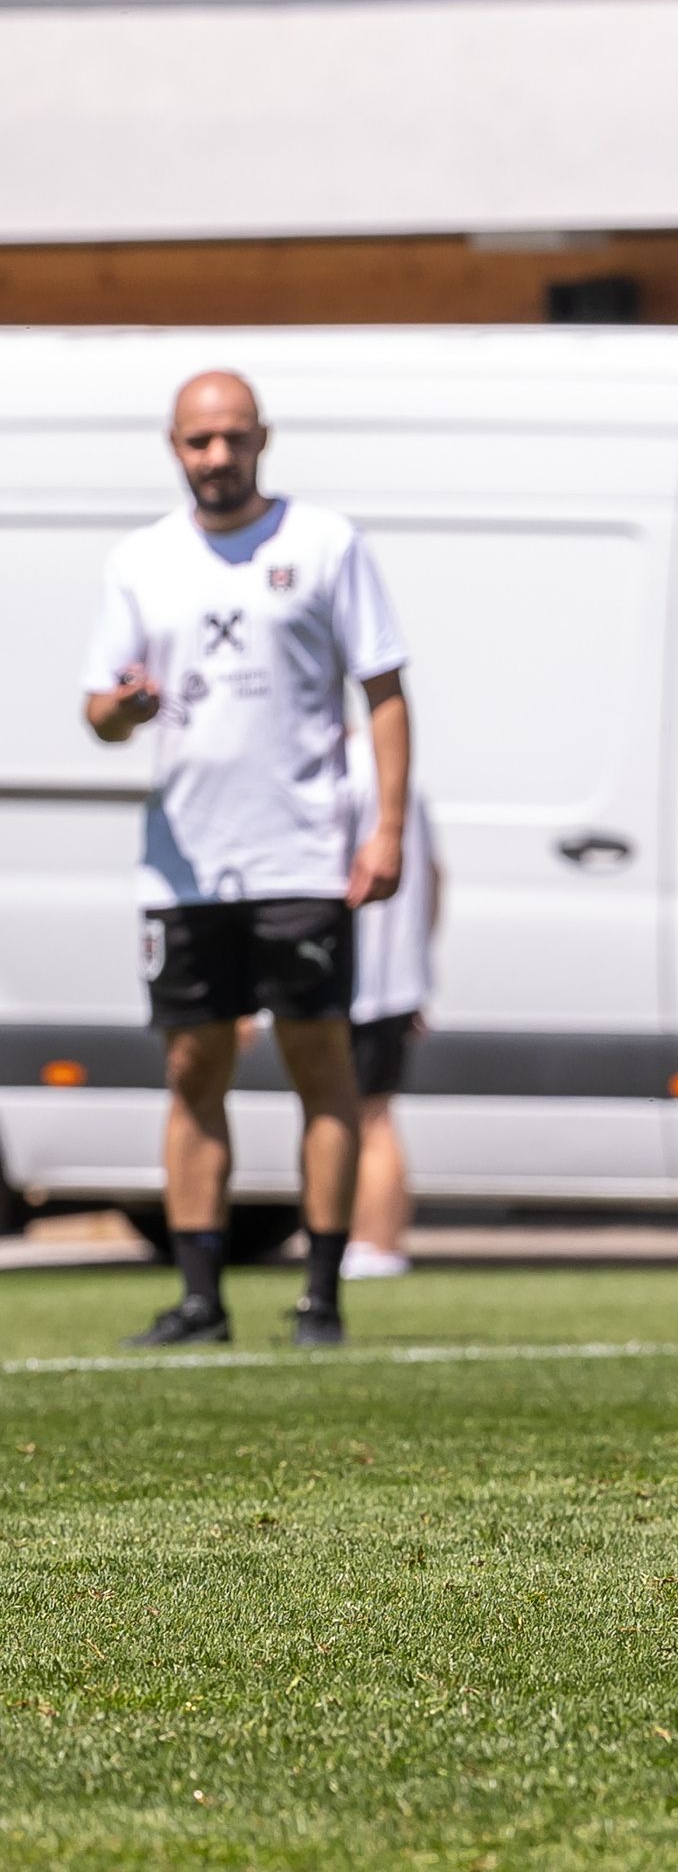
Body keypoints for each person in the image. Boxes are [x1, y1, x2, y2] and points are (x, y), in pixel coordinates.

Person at [83, 371, 412, 1351]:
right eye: (197, 441)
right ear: (174, 446)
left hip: (304, 855)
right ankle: (200, 1298)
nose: (216, 457)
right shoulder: (141, 560)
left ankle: (318, 1296)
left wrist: (384, 827)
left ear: (260, 439)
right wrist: (124, 707)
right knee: (193, 1065)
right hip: (185, 865)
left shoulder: (323, 544)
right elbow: (99, 710)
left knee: (320, 1065)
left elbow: (384, 689)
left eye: (231, 438)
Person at [339, 726, 438, 1281]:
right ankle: (371, 1241)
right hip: (395, 975)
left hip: (360, 979)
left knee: (366, 1116)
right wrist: (420, 970)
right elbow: (435, 876)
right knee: (370, 1112)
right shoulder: (398, 778)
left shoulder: (342, 771)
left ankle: (375, 1244)